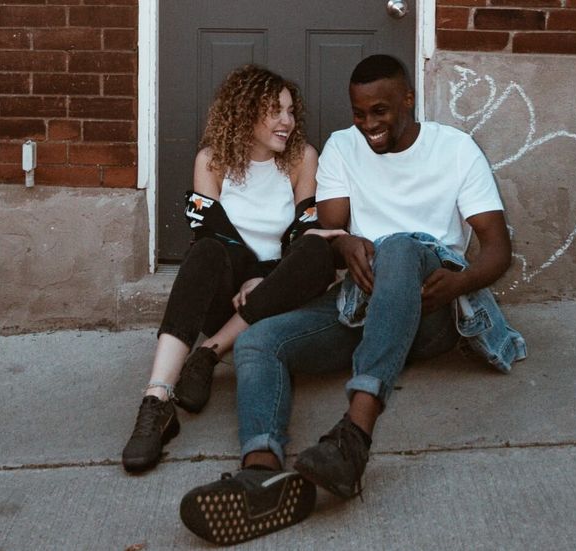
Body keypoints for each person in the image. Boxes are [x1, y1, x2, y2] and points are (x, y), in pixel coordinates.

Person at [179, 55, 526, 545]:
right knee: (258, 341)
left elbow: (497, 250)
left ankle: (354, 436)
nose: (368, 125)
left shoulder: (454, 149)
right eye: (359, 113)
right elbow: (331, 228)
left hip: (431, 307)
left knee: (400, 247)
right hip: (361, 303)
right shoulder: (343, 147)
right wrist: (344, 245)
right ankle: (260, 473)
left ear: (408, 100)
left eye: (379, 111)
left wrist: (459, 284)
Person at [122, 65, 344, 473]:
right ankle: (157, 399)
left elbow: (302, 231)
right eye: (274, 111)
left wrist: (265, 277)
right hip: (231, 297)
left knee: (316, 249)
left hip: (280, 297)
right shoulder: (212, 161)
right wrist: (249, 275)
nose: (287, 121)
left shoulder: (302, 158)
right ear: (244, 112)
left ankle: (209, 352)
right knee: (205, 251)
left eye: (290, 111)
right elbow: (212, 234)